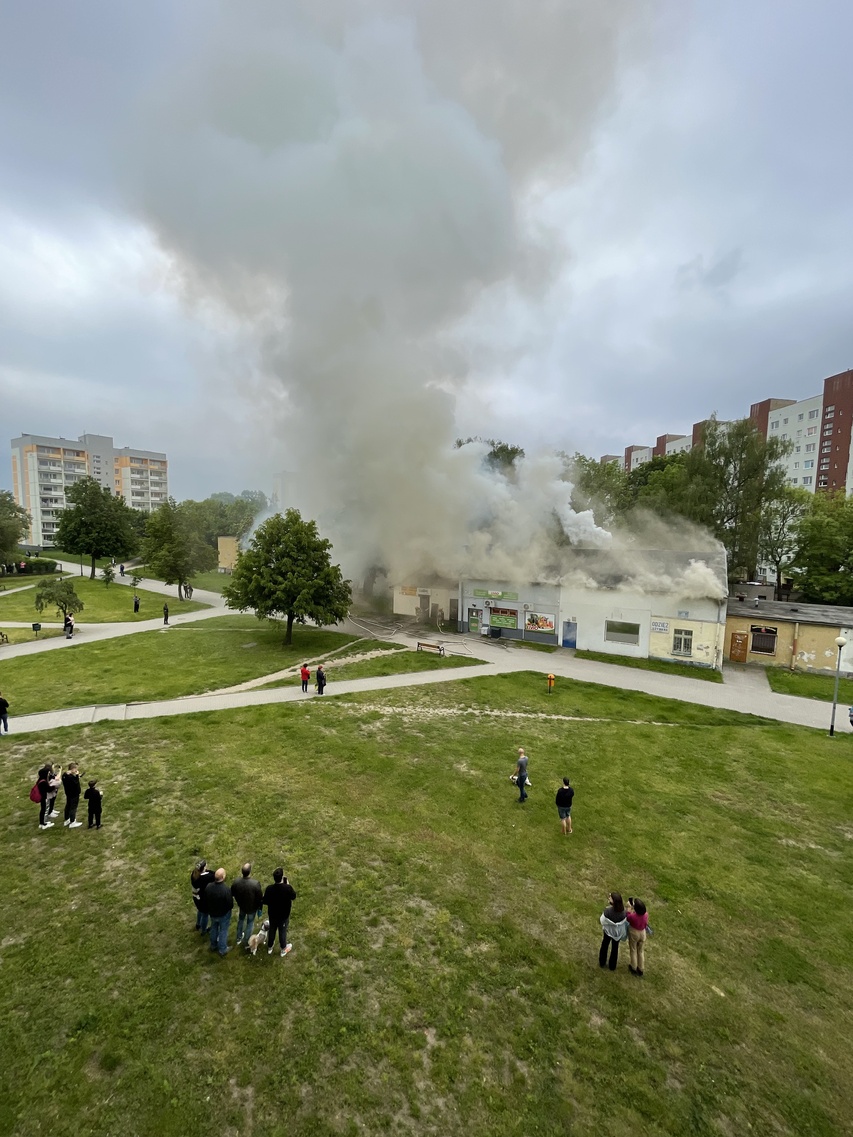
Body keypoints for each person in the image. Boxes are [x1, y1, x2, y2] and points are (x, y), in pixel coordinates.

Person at [262, 867, 296, 957]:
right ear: (282, 877)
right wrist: (288, 885)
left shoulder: (269, 889)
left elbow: (264, 901)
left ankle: (270, 947)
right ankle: (283, 949)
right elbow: (293, 896)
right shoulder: (287, 888)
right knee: (282, 932)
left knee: (272, 930)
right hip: (283, 916)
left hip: (272, 915)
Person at [231, 863, 264, 946]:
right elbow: (260, 898)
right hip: (252, 908)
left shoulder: (236, 882)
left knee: (241, 920)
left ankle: (238, 938)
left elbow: (232, 893)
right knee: (250, 923)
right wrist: (260, 908)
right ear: (250, 872)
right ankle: (246, 941)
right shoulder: (255, 884)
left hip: (242, 906)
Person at [205, 868, 234, 957]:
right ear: (223, 877)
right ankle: (222, 949)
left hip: (213, 913)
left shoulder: (209, 886)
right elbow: (230, 904)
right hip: (223, 914)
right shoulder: (226, 890)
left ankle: (213, 945)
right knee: (223, 931)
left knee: (214, 927)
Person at [599, 891, 628, 971]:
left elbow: (602, 920)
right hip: (617, 934)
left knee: (605, 945)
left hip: (608, 932)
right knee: (615, 948)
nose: (609, 898)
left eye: (610, 897)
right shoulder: (623, 912)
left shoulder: (608, 911)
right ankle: (612, 966)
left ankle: (602, 962)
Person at [627, 898, 649, 978]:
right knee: (640, 951)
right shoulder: (646, 914)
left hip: (634, 933)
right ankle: (641, 968)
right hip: (642, 933)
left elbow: (628, 918)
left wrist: (629, 910)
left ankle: (633, 967)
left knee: (633, 949)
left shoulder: (633, 916)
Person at [191, 860, 214, 933]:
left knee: (200, 911)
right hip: (203, 900)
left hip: (196, 897)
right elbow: (214, 874)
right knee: (205, 914)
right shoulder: (206, 877)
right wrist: (207, 871)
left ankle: (198, 924)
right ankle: (204, 930)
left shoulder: (194, 874)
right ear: (203, 868)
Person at [62, 762, 83, 828]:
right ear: (73, 769)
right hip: (74, 794)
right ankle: (72, 822)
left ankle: (67, 819)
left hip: (68, 793)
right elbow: (75, 783)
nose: (77, 770)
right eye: (76, 769)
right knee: (73, 808)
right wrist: (77, 776)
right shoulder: (71, 778)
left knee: (68, 805)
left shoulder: (64, 775)